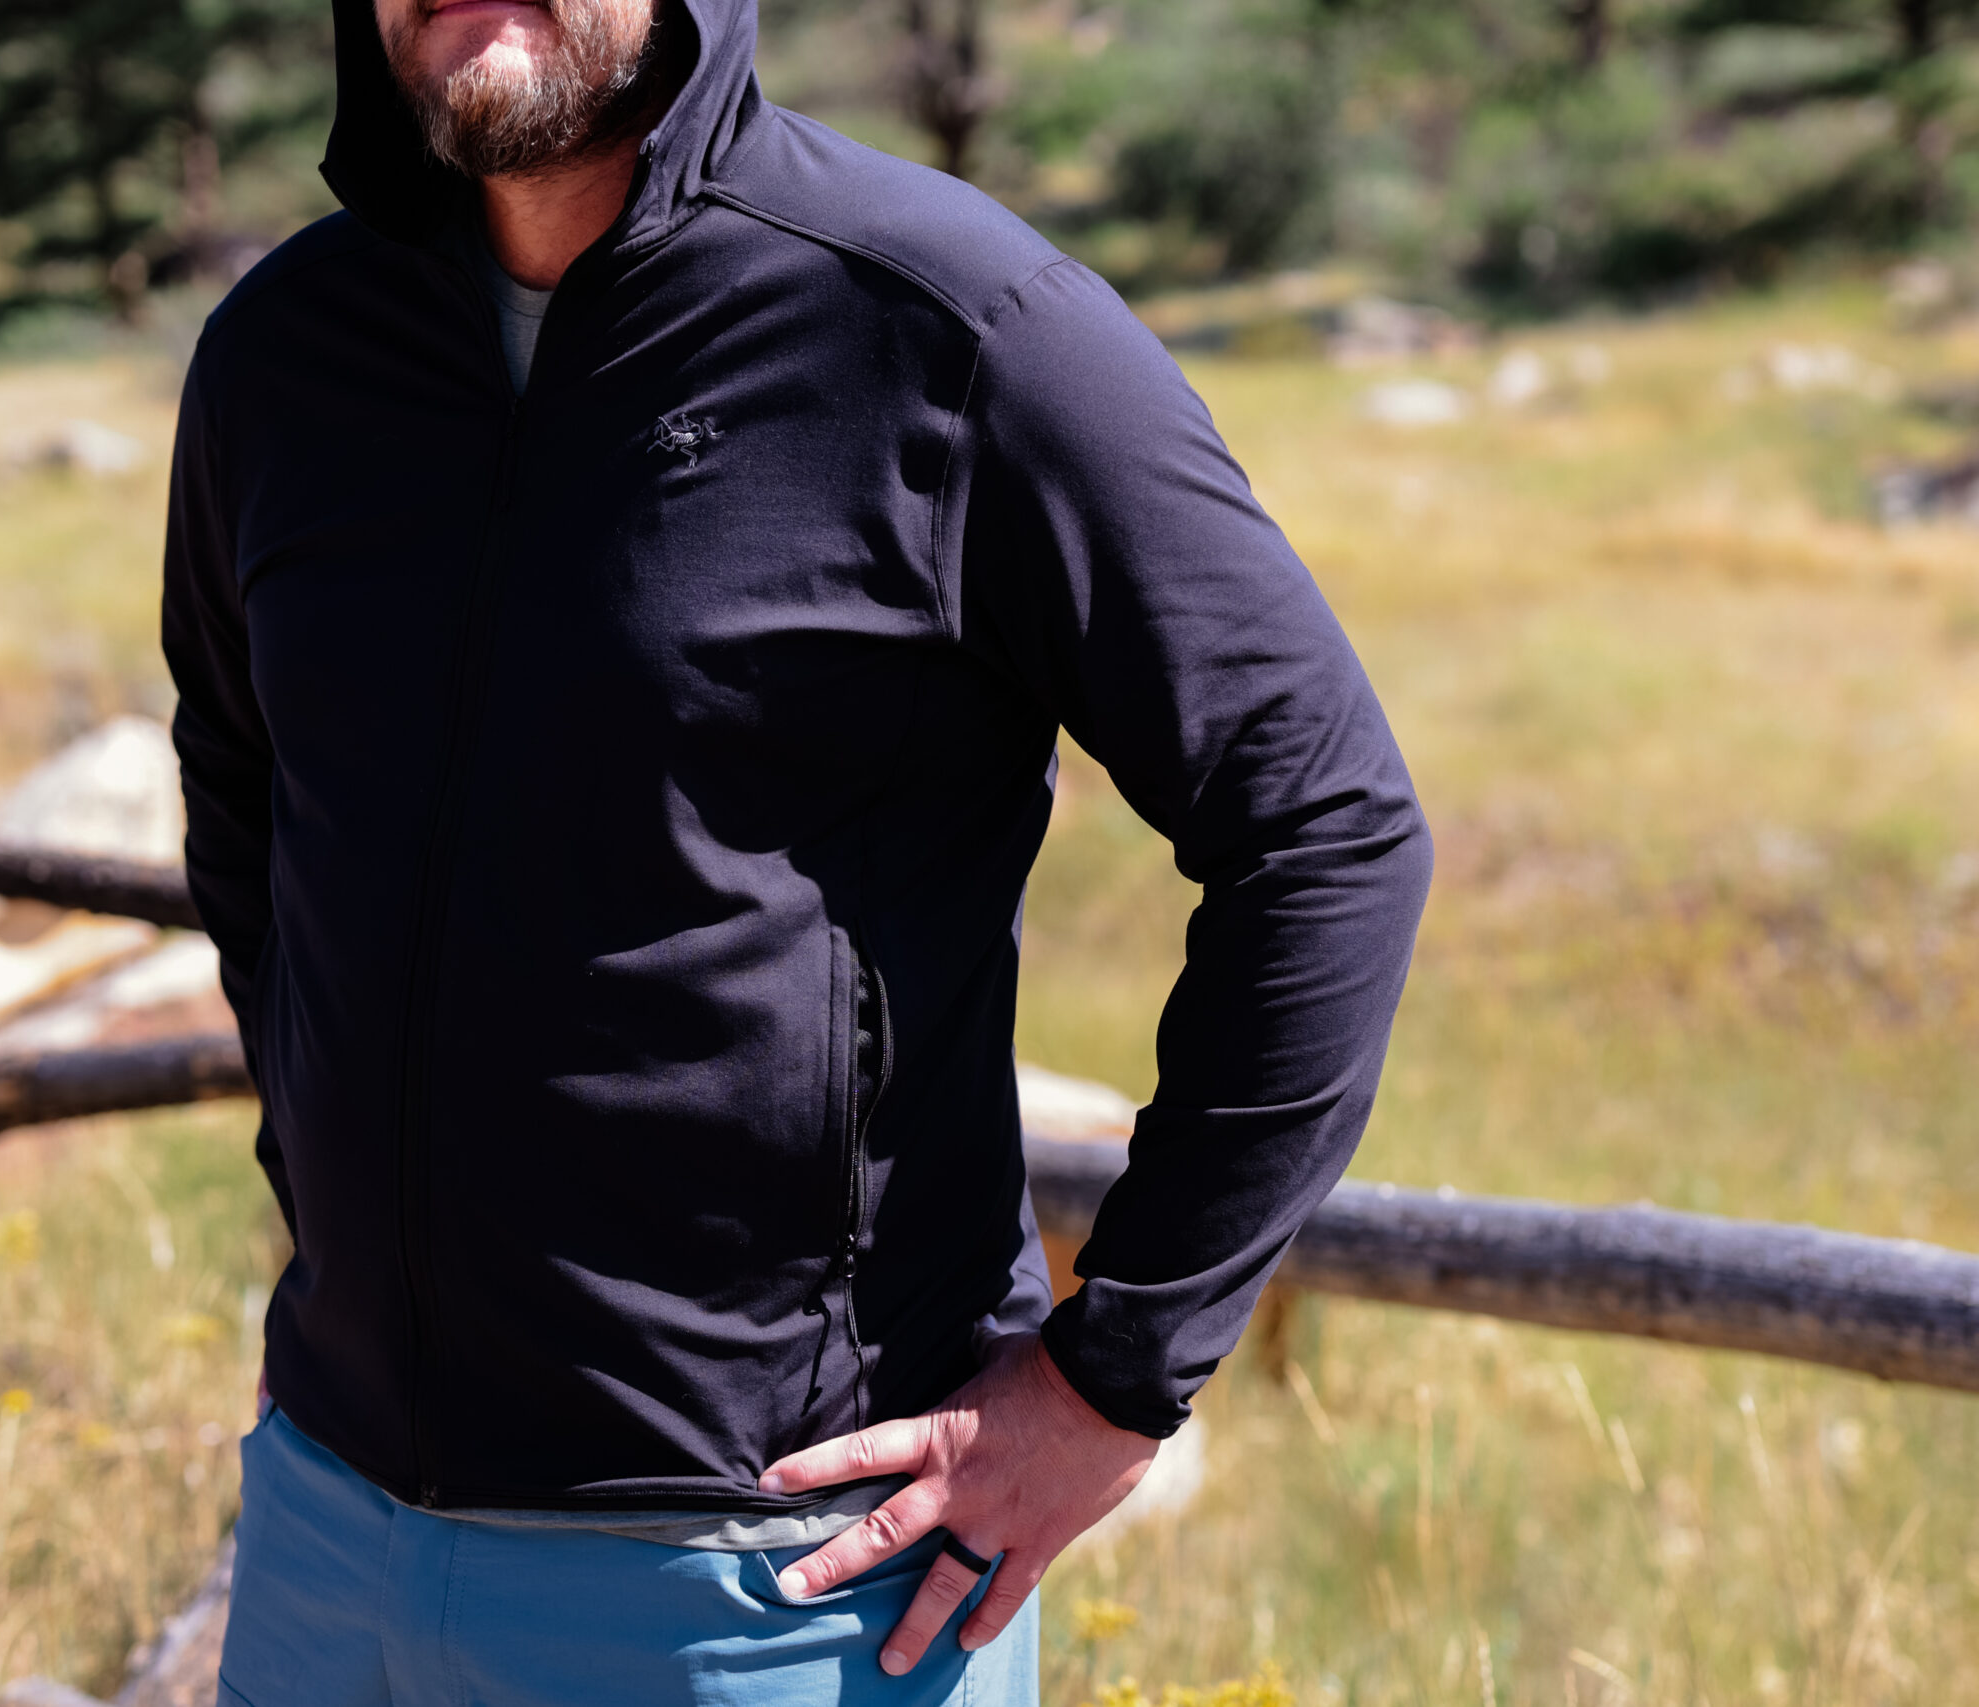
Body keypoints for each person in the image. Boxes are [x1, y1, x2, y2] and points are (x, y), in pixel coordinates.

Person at [161, 0, 1431, 1693]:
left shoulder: (951, 329)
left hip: (770, 1585)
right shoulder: (281, 358)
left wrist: (1114, 1380)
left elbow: (1324, 823)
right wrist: (328, 1247)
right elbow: (250, 801)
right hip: (330, 1536)